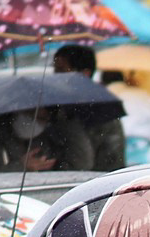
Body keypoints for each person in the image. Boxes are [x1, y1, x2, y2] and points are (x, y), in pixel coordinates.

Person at [53, 42, 126, 171]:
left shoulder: (98, 106)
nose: (55, 76)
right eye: (55, 69)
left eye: (61, 70)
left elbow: (88, 159)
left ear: (84, 74)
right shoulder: (59, 103)